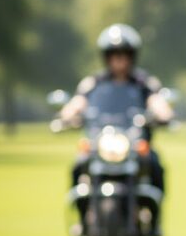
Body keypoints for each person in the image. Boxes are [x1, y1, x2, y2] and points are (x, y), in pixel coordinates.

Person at [61, 24, 173, 200]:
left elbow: (156, 101)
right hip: (100, 141)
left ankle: (154, 214)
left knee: (154, 163)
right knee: (80, 163)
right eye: (114, 54)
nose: (119, 59)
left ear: (132, 56)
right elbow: (78, 101)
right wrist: (67, 115)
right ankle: (81, 211)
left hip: (133, 142)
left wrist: (164, 115)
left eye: (124, 54)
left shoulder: (144, 82)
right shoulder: (93, 82)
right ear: (107, 57)